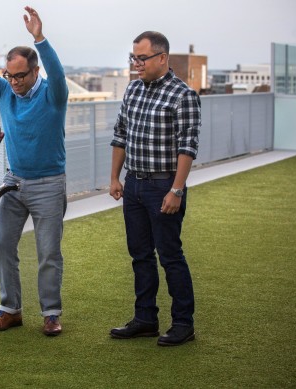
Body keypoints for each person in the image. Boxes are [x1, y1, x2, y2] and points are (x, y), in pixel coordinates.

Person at [0, 6, 68, 336]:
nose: (15, 82)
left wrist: (40, 38)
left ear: (35, 71)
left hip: (49, 183)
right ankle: (10, 309)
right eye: (10, 75)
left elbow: (58, 74)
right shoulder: (5, 91)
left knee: (48, 253)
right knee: (4, 247)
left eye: (20, 75)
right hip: (12, 183)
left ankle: (50, 313)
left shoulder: (53, 94)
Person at [109, 31, 201, 346]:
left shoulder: (183, 95)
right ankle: (145, 318)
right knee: (140, 255)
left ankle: (183, 324)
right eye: (133, 57)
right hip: (133, 184)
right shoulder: (132, 90)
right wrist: (114, 178)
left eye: (142, 58)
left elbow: (187, 147)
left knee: (170, 255)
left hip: (164, 185)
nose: (136, 64)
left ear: (162, 58)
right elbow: (120, 134)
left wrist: (176, 190)